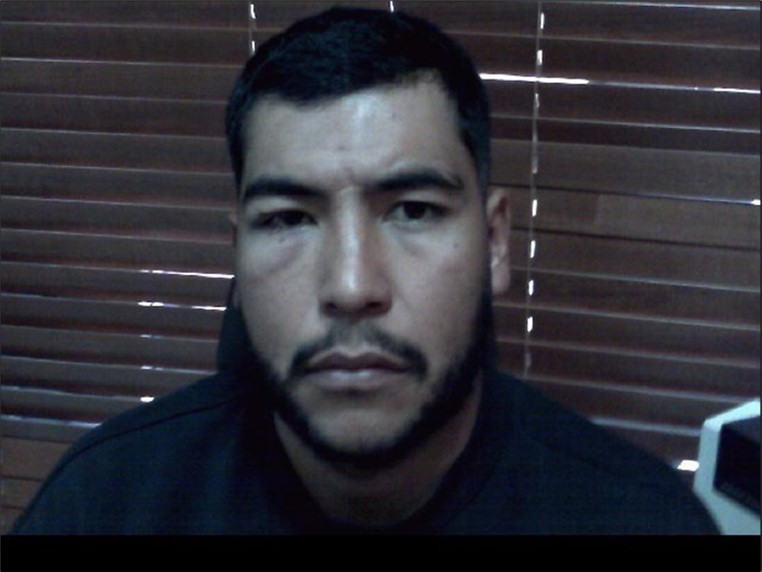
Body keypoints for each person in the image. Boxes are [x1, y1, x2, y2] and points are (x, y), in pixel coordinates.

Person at [11, 6, 718, 535]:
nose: (351, 288)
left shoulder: (642, 521)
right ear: (238, 255)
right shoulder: (103, 505)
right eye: (289, 219)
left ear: (495, 242)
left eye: (412, 210)